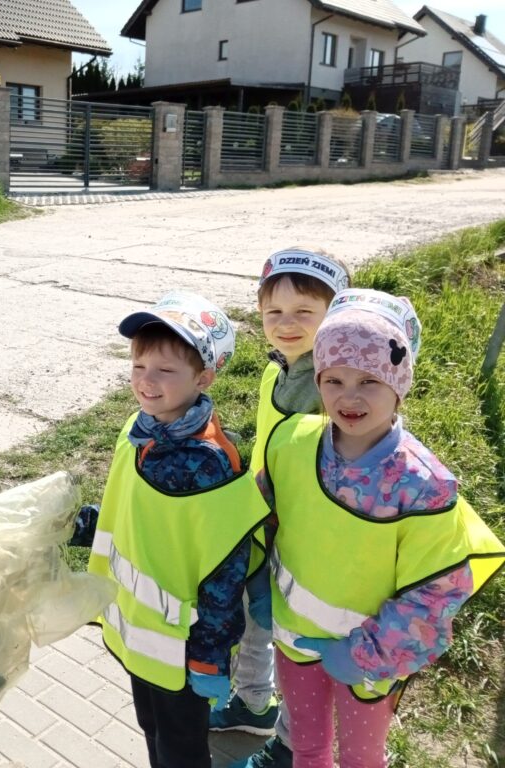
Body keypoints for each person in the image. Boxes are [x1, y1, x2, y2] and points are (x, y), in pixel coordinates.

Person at [258, 289, 504, 768]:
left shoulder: (422, 486)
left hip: (370, 665)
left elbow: (436, 590)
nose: (348, 396)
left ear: (400, 382)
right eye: (334, 379)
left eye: (370, 380)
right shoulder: (291, 442)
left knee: (360, 760)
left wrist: (366, 655)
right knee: (306, 748)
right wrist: (253, 587)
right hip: (294, 642)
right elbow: (266, 520)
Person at [88, 291, 270, 768]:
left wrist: (211, 655)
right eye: (138, 367)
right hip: (140, 638)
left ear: (203, 378)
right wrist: (78, 523)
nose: (147, 382)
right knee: (153, 731)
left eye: (166, 371)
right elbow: (126, 512)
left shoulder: (208, 463)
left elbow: (224, 568)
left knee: (182, 750)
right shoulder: (138, 429)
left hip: (184, 651)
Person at [211, 248, 350, 768]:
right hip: (265, 523)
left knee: (297, 643)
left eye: (304, 313)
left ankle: (293, 745)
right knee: (256, 619)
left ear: (335, 314)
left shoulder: (333, 383)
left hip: (306, 538)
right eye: (274, 313)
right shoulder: (280, 371)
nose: (286, 325)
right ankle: (251, 704)